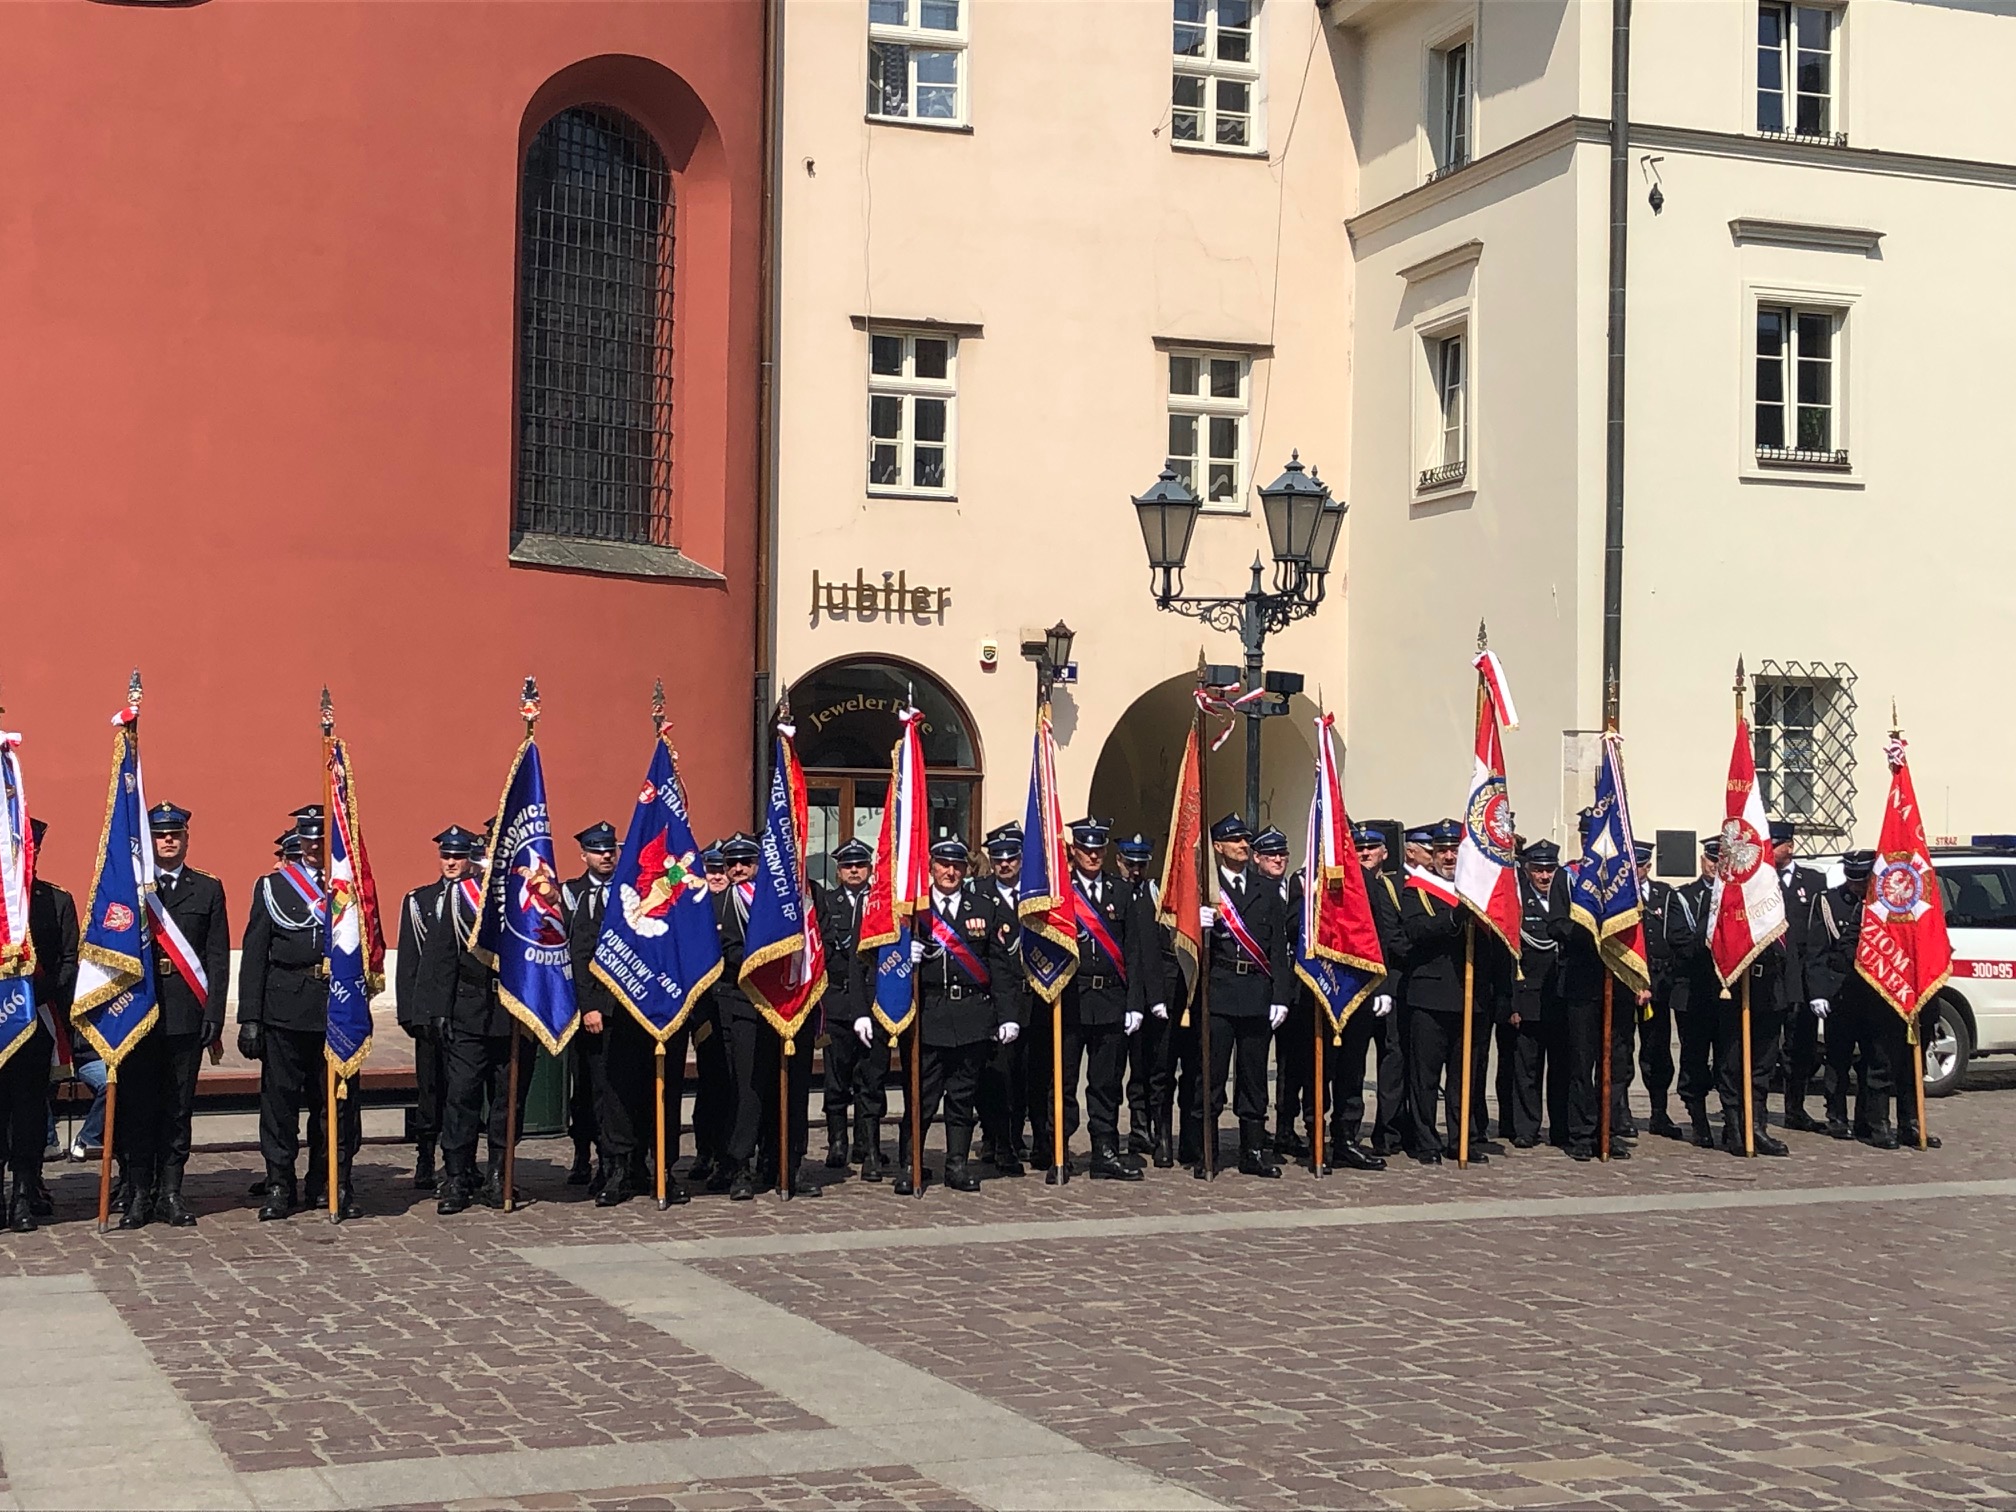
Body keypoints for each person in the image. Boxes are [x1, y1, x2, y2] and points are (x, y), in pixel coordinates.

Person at [240, 805, 361, 1221]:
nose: (314, 847)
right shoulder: (273, 887)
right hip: (284, 1007)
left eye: (321, 840)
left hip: (337, 1008)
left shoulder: (350, 885)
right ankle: (279, 1183)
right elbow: (255, 954)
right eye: (308, 840)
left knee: (335, 1104)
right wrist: (250, 1017)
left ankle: (329, 1181)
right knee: (280, 1105)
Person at [116, 802, 229, 1229]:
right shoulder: (130, 889)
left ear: (186, 839)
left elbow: (217, 957)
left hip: (185, 1012)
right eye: (160, 835)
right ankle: (138, 1193)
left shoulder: (207, 889)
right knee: (138, 1107)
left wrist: (214, 1012)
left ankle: (171, 1192)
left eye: (175, 834)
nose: (168, 840)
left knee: (178, 1109)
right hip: (138, 1013)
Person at [416, 817, 534, 1214]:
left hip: (514, 1013)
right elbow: (441, 955)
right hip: (467, 1012)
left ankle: (500, 1173)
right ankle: (457, 1175)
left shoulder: (529, 892)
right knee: (462, 1096)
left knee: (507, 1101)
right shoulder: (460, 894)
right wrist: (437, 1009)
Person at [897, 838, 1022, 1195]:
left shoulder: (981, 906)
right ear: (932, 867)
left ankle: (957, 1164)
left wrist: (1007, 1015)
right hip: (929, 1014)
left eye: (957, 866)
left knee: (962, 1097)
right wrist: (905, 954)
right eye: (943, 864)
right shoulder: (916, 910)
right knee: (921, 1097)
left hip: (971, 1015)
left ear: (966, 870)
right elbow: (886, 959)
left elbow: (1000, 965)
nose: (950, 872)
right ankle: (911, 1164)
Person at [1039, 818, 1147, 1182]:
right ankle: (1059, 1151)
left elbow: (1134, 951)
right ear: (1075, 851)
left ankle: (1105, 1151)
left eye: (1098, 849)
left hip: (1111, 998)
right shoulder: (1061, 894)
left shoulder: (1120, 892)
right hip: (1071, 998)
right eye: (1086, 849)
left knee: (1106, 1083)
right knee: (1064, 1082)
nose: (1093, 855)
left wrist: (1134, 1003)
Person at [1189, 815, 1291, 1178]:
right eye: (1235, 841)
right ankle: (1206, 1151)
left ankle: (1253, 1151)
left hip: (1256, 992)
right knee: (1211, 1077)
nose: (1243, 846)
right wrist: (1195, 923)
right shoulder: (1205, 889)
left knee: (1254, 1078)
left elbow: (1277, 948)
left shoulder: (1266, 889)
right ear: (1218, 847)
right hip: (1218, 993)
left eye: (1246, 840)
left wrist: (1281, 996)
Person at [1398, 820, 1493, 1165]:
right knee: (1425, 1076)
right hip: (1430, 996)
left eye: (1454, 851)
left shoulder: (1479, 892)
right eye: (1442, 851)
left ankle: (1461, 1139)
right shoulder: (1417, 889)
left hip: (1471, 995)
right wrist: (1454, 919)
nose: (1449, 857)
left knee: (1464, 1076)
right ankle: (1426, 1141)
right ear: (1432, 855)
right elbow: (1416, 930)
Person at [394, 826, 479, 1190]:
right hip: (430, 1010)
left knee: (462, 1090)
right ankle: (425, 1155)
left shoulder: (477, 900)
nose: (451, 863)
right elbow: (409, 960)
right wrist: (410, 1013)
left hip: (465, 1009)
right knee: (430, 1088)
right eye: (446, 856)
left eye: (458, 857)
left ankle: (462, 1161)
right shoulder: (421, 900)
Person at [1315, 822, 1400, 1173]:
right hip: (1322, 988)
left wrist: (1383, 987)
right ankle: (1316, 1137)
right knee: (1320, 1069)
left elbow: (1381, 937)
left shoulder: (1367, 882)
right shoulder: (1311, 879)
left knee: (1352, 1069)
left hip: (1359, 988)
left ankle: (1346, 1139)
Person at [1710, 821, 1797, 1157]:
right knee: (1732, 1063)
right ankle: (1735, 1127)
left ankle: (1757, 1126)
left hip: (1771, 991)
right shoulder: (1730, 892)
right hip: (1736, 990)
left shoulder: (1778, 892)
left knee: (1763, 1065)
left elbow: (1793, 945)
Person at [9, 819, 75, 1229]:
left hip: (37, 1022)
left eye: (31, 849)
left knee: (30, 1112)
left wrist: (42, 991)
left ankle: (24, 1193)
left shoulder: (55, 900)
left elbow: (70, 959)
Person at [1807, 850, 1893, 1143]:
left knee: (1874, 1059)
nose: (1857, 885)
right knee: (1838, 1060)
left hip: (1875, 994)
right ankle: (1837, 1117)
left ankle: (1870, 1120)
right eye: (1852, 879)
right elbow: (1817, 951)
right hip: (1840, 991)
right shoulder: (1828, 902)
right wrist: (1818, 992)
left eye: (1862, 880)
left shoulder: (1885, 905)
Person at [815, 838, 884, 1179]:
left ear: (870, 868)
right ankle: (838, 1141)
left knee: (871, 1077)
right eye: (847, 866)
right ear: (838, 871)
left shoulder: (880, 904)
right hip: (838, 1001)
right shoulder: (828, 904)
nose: (854, 870)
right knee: (837, 1077)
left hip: (874, 1001)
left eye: (860, 865)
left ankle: (869, 1147)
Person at [561, 822, 624, 1198]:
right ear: (584, 855)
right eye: (598, 850)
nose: (605, 855)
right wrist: (589, 1006)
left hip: (626, 1008)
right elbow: (577, 954)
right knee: (587, 1088)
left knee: (615, 1087)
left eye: (610, 849)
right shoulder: (572, 894)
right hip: (587, 1008)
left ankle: (617, 1162)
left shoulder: (628, 892)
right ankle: (585, 1153)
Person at [1117, 833, 1181, 1167]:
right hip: (1120, 993)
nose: (1136, 871)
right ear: (1119, 861)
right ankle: (1136, 1128)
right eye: (1130, 864)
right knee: (1127, 1067)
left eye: (1141, 865)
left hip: (1157, 992)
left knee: (1158, 1066)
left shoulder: (1156, 893)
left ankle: (1160, 1133)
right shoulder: (1114, 893)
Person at [1253, 827, 1313, 1160]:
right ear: (1257, 858)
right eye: (1271, 855)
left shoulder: (1296, 887)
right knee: (1256, 1063)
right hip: (1261, 986)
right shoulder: (1252, 889)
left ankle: (1286, 1127)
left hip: (1294, 986)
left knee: (1293, 1062)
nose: (1278, 860)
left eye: (1282, 854)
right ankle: (1256, 1127)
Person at [974, 821, 1030, 1175]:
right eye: (998, 858)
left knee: (1026, 1074)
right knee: (995, 1075)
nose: (1005, 864)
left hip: (1032, 997)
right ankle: (996, 1137)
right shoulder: (979, 894)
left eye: (1011, 858)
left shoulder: (1037, 891)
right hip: (994, 998)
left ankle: (1018, 1135)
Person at [1498, 840, 1559, 1150]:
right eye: (1538, 870)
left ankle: (1561, 1127)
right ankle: (1526, 1127)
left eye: (1549, 869)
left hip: (1559, 998)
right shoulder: (1519, 904)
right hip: (1529, 998)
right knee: (1527, 1070)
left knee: (1561, 1069)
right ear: (1528, 870)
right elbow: (1510, 958)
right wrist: (1513, 1003)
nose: (1544, 876)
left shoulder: (1566, 901)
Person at [1666, 836, 1722, 1147]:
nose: (1715, 866)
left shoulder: (1738, 898)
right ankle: (1698, 1119)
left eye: (1721, 861)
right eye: (1711, 859)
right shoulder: (1684, 897)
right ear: (1703, 860)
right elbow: (1680, 943)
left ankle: (1735, 1120)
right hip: (1692, 992)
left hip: (1726, 994)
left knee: (1729, 1061)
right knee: (1695, 1059)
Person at [1773, 822, 1829, 1133]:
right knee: (1768, 1048)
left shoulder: (1813, 880)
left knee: (1801, 1047)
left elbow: (1819, 930)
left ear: (1790, 846)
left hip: (1803, 978)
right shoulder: (1761, 881)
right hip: (1773, 976)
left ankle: (1795, 1108)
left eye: (1776, 845)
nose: (1770, 851)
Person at [1638, 843, 1687, 1141]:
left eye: (1642, 866)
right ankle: (1618, 1114)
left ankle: (1659, 1112)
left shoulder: (1664, 894)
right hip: (1626, 979)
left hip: (1658, 982)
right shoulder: (1618, 894)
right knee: (1619, 1052)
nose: (1638, 871)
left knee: (1657, 1049)